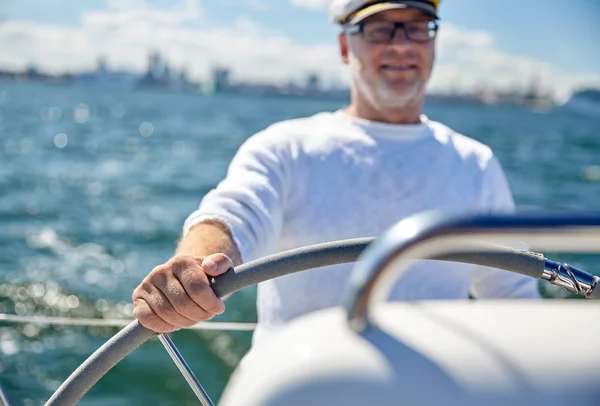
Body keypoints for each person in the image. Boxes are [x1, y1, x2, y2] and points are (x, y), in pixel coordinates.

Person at [132, 0, 541, 346]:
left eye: (417, 29)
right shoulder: (285, 146)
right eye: (380, 29)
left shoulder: (476, 163)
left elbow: (512, 294)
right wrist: (193, 265)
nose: (401, 46)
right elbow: (235, 212)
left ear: (433, 44)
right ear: (346, 46)